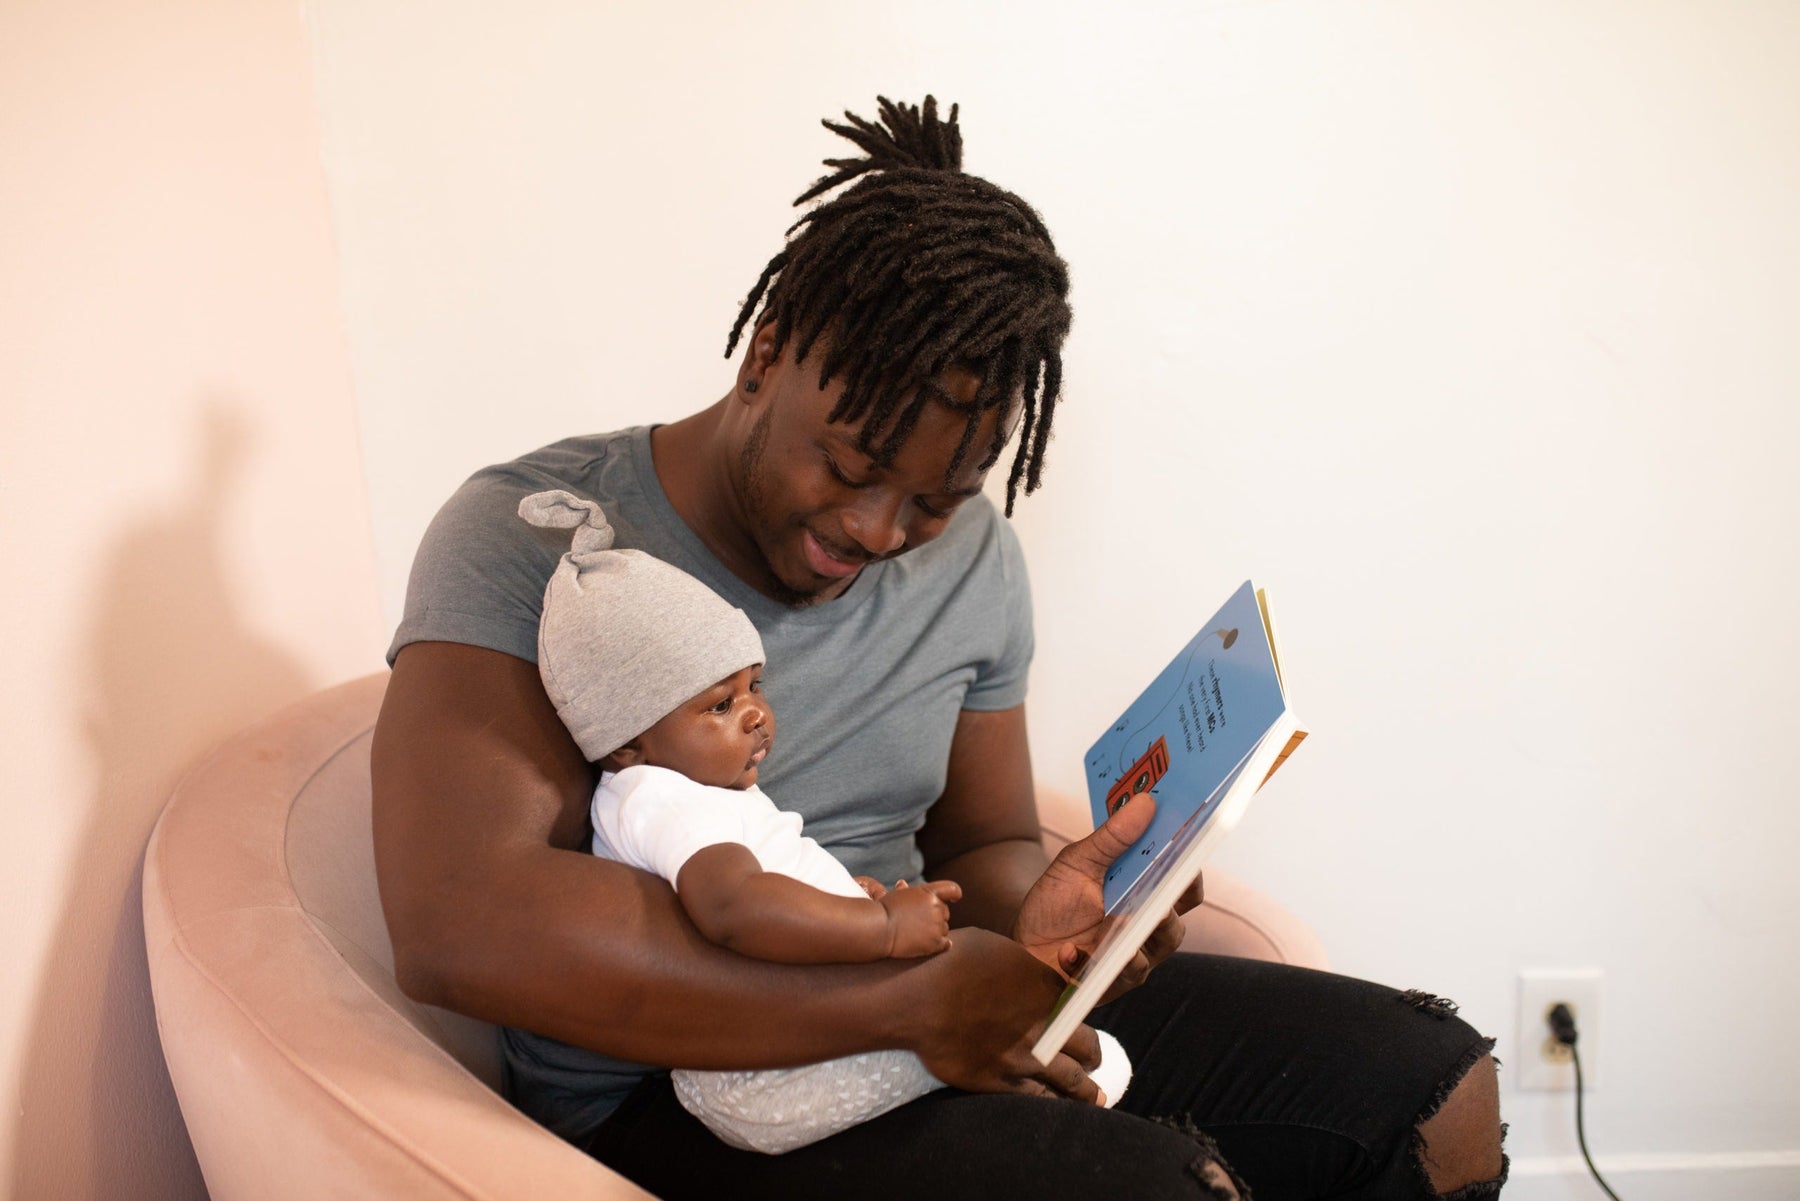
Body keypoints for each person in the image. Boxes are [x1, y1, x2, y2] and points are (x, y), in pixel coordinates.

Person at [373, 96, 1508, 1199]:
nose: (876, 534)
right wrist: (899, 1004)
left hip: (930, 1001)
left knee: (1427, 1084)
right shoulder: (540, 537)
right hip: (682, 1093)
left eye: (935, 499)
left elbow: (988, 839)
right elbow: (460, 923)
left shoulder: (974, 559)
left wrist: (1059, 917)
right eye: (853, 468)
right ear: (766, 354)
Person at [513, 485, 1136, 1153]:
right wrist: (880, 927)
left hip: (783, 1047)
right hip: (760, 1075)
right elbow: (735, 906)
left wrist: (840, 899)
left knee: (1007, 1023)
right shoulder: (661, 797)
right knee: (1032, 1045)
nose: (755, 713)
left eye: (754, 684)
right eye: (719, 705)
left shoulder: (694, 787)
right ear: (626, 740)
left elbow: (766, 891)